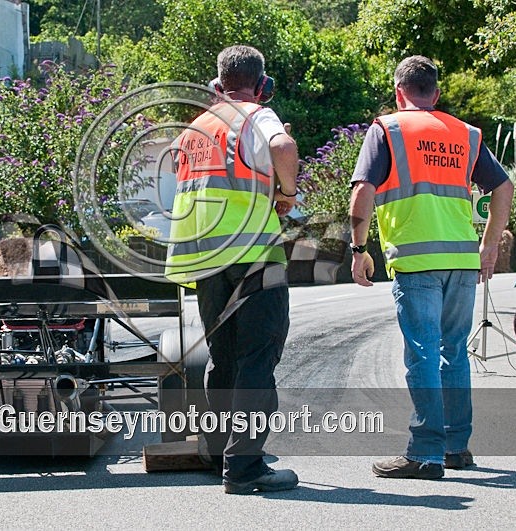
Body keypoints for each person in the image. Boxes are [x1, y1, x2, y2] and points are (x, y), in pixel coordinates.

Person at [348, 55, 514, 479]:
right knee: (453, 353)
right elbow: (504, 187)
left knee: (422, 354)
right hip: (460, 260)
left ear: (398, 91)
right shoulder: (466, 134)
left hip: (417, 260)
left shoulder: (387, 129)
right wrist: (489, 246)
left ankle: (425, 453)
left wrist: (359, 248)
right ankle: (456, 446)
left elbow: (363, 192)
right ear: (435, 94)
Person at [164, 45, 300, 495]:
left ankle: (220, 451)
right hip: (254, 253)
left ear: (217, 86)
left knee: (222, 358)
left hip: (205, 258)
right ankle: (244, 468)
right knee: (257, 358)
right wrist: (288, 194)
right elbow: (284, 145)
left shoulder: (193, 128)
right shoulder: (256, 115)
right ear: (262, 86)